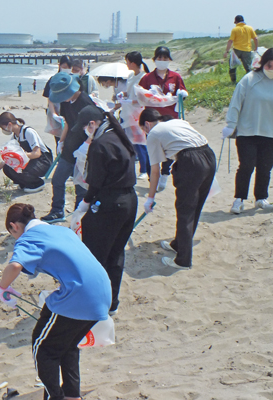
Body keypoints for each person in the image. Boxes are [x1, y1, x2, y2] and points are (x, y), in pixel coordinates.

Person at [0, 203, 111, 400]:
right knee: (67, 345)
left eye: (12, 233)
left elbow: (15, 265)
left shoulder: (28, 238)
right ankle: (72, 395)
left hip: (79, 295)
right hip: (104, 292)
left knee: (43, 348)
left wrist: (2, 288)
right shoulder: (60, 230)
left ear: (14, 226)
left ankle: (55, 397)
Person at [73, 106, 137, 315]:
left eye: (85, 127)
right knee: (116, 253)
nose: (85, 132)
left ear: (92, 124)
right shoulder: (118, 136)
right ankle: (112, 302)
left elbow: (96, 182)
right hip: (129, 200)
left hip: (110, 203)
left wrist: (85, 203)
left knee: (94, 254)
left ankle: (94, 301)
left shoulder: (100, 144)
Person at [140, 109, 216, 270]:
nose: (145, 133)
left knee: (185, 210)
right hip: (209, 156)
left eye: (143, 130)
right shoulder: (178, 121)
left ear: (147, 124)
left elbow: (155, 170)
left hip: (190, 162)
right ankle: (178, 244)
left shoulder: (153, 133)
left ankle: (183, 260)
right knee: (195, 206)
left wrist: (150, 198)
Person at [41, 72, 99, 221]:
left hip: (83, 151)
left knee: (80, 184)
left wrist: (85, 148)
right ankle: (57, 210)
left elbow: (94, 130)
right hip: (69, 147)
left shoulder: (86, 103)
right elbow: (67, 122)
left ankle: (78, 215)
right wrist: (61, 141)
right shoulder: (67, 103)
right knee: (58, 179)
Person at [224, 48, 273, 214]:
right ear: (263, 63)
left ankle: (261, 198)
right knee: (246, 166)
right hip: (247, 132)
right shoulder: (250, 79)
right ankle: (239, 199)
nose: (271, 69)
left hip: (270, 134)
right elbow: (236, 102)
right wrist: (231, 124)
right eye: (269, 65)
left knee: (265, 167)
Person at [139, 46, 188, 191]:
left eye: (165, 58)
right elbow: (141, 95)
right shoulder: (147, 78)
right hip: (152, 117)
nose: (162, 61)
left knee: (168, 147)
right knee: (153, 147)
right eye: (159, 58)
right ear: (155, 60)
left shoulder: (175, 76)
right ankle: (152, 175)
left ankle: (165, 173)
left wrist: (182, 94)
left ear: (169, 60)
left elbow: (182, 91)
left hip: (169, 117)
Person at [0, 112, 53, 193]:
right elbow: (8, 158)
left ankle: (38, 184)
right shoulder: (15, 137)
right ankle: (24, 183)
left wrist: (21, 155)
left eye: (3, 127)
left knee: (21, 169)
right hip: (31, 160)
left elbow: (37, 153)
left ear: (9, 124)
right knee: (7, 168)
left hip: (43, 161)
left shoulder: (28, 132)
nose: (3, 130)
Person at [120, 51, 151, 179]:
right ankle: (132, 167)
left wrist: (130, 101)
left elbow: (145, 98)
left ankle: (144, 169)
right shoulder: (132, 76)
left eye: (127, 61)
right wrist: (123, 95)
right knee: (131, 141)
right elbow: (129, 92)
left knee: (140, 142)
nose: (126, 64)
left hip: (139, 112)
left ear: (132, 63)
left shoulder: (144, 77)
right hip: (128, 112)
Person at [224, 15, 259, 83]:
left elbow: (230, 41)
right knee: (248, 67)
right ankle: (250, 81)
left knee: (232, 66)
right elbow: (255, 38)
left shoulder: (235, 29)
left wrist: (226, 51)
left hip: (236, 50)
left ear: (236, 21)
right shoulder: (249, 28)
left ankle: (233, 81)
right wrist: (256, 48)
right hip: (247, 50)